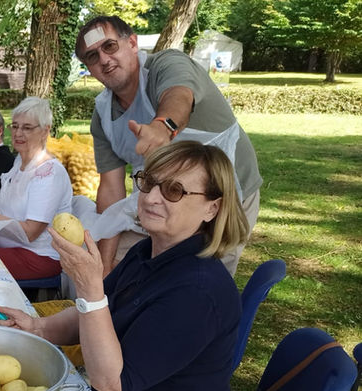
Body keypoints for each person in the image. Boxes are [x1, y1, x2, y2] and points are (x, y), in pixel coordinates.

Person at [0, 141, 247, 390]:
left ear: (212, 209)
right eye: (148, 183)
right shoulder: (147, 251)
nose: (150, 198)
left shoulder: (197, 292)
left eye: (173, 190)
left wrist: (89, 288)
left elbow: (112, 384)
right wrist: (38, 327)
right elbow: (95, 312)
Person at [77, 15, 262, 275]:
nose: (104, 60)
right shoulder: (103, 116)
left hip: (225, 193)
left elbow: (179, 96)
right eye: (92, 57)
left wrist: (163, 126)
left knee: (203, 280)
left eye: (109, 46)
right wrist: (104, 266)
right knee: (125, 269)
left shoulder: (167, 64)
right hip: (167, 200)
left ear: (132, 42)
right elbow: (110, 191)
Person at [0, 97, 72, 280]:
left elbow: (30, 232)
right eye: (15, 126)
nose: (18, 133)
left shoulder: (48, 174)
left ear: (45, 131)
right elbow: (4, 206)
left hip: (38, 256)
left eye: (27, 128)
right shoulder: (19, 162)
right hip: (9, 247)